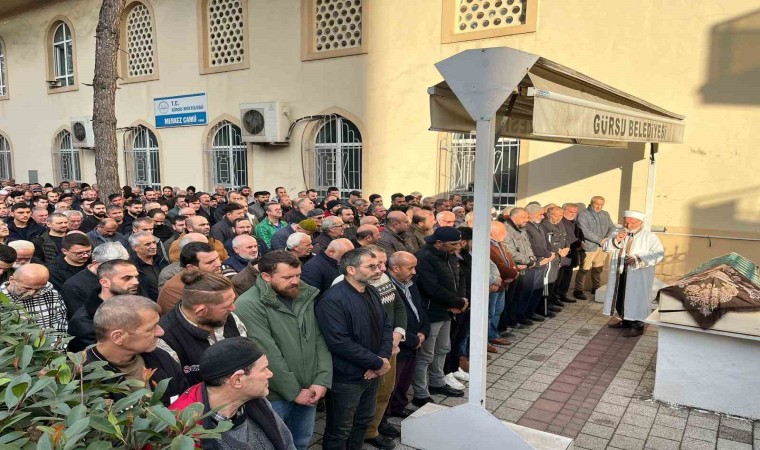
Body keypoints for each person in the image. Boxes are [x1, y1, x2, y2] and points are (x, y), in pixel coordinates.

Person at [236, 251, 332, 450]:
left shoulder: (303, 294)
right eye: (287, 277)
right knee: (277, 444)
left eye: (298, 275)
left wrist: (322, 380)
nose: (295, 281)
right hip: (275, 395)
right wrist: (294, 392)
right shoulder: (248, 304)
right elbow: (267, 352)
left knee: (302, 442)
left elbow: (318, 339)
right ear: (266, 276)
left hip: (309, 388)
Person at [315, 247, 392, 450]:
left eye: (378, 266)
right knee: (340, 429)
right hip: (346, 378)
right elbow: (338, 342)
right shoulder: (332, 300)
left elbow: (385, 325)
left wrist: (382, 358)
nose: (379, 270)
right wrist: (376, 362)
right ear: (351, 269)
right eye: (371, 266)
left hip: (372, 372)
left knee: (363, 420)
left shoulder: (372, 291)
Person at [169, 337, 296, 449]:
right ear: (237, 380)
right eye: (263, 369)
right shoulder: (183, 429)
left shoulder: (256, 399)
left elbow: (287, 443)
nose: (270, 374)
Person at [87, 295, 188, 406]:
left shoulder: (162, 359)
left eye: (158, 324)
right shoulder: (85, 376)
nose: (161, 332)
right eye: (151, 328)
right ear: (118, 337)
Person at [410, 227, 468, 408]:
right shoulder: (424, 257)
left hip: (447, 311)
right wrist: (457, 302)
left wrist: (460, 300)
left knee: (443, 348)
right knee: (426, 355)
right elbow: (431, 287)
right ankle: (420, 393)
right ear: (438, 243)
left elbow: (459, 278)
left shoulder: (448, 254)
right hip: (431, 313)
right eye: (453, 244)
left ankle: (437, 382)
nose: (457, 247)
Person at [157, 271, 247, 385]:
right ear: (201, 311)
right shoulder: (165, 339)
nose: (233, 308)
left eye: (232, 301)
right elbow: (177, 389)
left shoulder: (230, 318)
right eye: (226, 306)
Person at [603, 210, 664, 337]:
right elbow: (606, 248)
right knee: (620, 296)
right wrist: (617, 239)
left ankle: (638, 325)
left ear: (640, 223)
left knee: (637, 298)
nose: (628, 225)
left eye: (632, 223)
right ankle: (625, 319)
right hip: (619, 273)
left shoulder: (649, 237)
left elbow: (658, 254)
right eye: (626, 222)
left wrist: (637, 259)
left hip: (638, 274)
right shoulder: (617, 232)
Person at [386, 251, 429, 418]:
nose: (414, 271)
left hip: (414, 340)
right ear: (396, 268)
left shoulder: (411, 282)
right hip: (401, 343)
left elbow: (420, 308)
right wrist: (412, 339)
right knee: (393, 382)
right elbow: (391, 319)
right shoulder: (387, 287)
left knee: (404, 380)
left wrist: (424, 330)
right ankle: (385, 417)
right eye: (410, 268)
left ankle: (398, 407)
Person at [68, 259, 141, 351]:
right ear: (105, 282)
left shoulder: (135, 302)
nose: (136, 282)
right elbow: (104, 354)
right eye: (127, 278)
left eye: (136, 277)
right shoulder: (84, 322)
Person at [61, 242, 130, 319]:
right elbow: (82, 319)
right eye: (113, 266)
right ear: (96, 264)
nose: (121, 269)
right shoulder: (74, 287)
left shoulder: (130, 276)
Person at [157, 242, 222, 314]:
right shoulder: (173, 291)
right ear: (190, 267)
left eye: (217, 258)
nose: (218, 264)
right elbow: (191, 318)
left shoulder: (213, 276)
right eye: (210, 262)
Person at [0, 263, 66, 331]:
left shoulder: (52, 295)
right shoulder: (1, 298)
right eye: (27, 288)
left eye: (38, 289)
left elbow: (61, 326)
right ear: (12, 280)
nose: (32, 293)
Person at [575, 196, 616, 299]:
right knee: (584, 269)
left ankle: (596, 288)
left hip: (602, 247)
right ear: (591, 203)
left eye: (601, 204)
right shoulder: (583, 214)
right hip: (589, 246)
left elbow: (612, 227)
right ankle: (578, 290)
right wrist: (600, 240)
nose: (599, 206)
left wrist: (607, 239)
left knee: (598, 269)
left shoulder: (605, 214)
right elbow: (584, 231)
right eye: (597, 204)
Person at [524, 204, 559, 319]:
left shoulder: (539, 226)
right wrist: (547, 255)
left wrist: (550, 254)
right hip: (535, 263)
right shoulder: (527, 227)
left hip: (543, 261)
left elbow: (547, 243)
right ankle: (525, 314)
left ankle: (532, 312)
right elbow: (532, 246)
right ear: (531, 214)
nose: (543, 217)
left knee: (537, 290)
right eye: (540, 214)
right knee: (529, 291)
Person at [489, 221, 518, 347]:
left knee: (498, 310)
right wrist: (513, 273)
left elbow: (508, 258)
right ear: (492, 232)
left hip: (503, 283)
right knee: (490, 312)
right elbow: (497, 264)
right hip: (495, 284)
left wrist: (514, 270)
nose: (505, 234)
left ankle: (493, 335)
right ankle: (488, 337)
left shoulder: (499, 243)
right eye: (502, 231)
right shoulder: (488, 245)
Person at [129, 231, 168, 301]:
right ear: (135, 248)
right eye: (148, 244)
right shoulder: (130, 267)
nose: (153, 246)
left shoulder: (162, 260)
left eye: (154, 242)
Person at [555, 203, 581, 303]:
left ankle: (562, 294)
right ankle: (556, 296)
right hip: (563, 253)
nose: (573, 214)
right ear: (564, 211)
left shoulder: (573, 222)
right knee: (560, 276)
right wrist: (579, 243)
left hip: (572, 253)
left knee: (567, 275)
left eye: (575, 212)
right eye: (571, 212)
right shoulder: (561, 221)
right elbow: (565, 237)